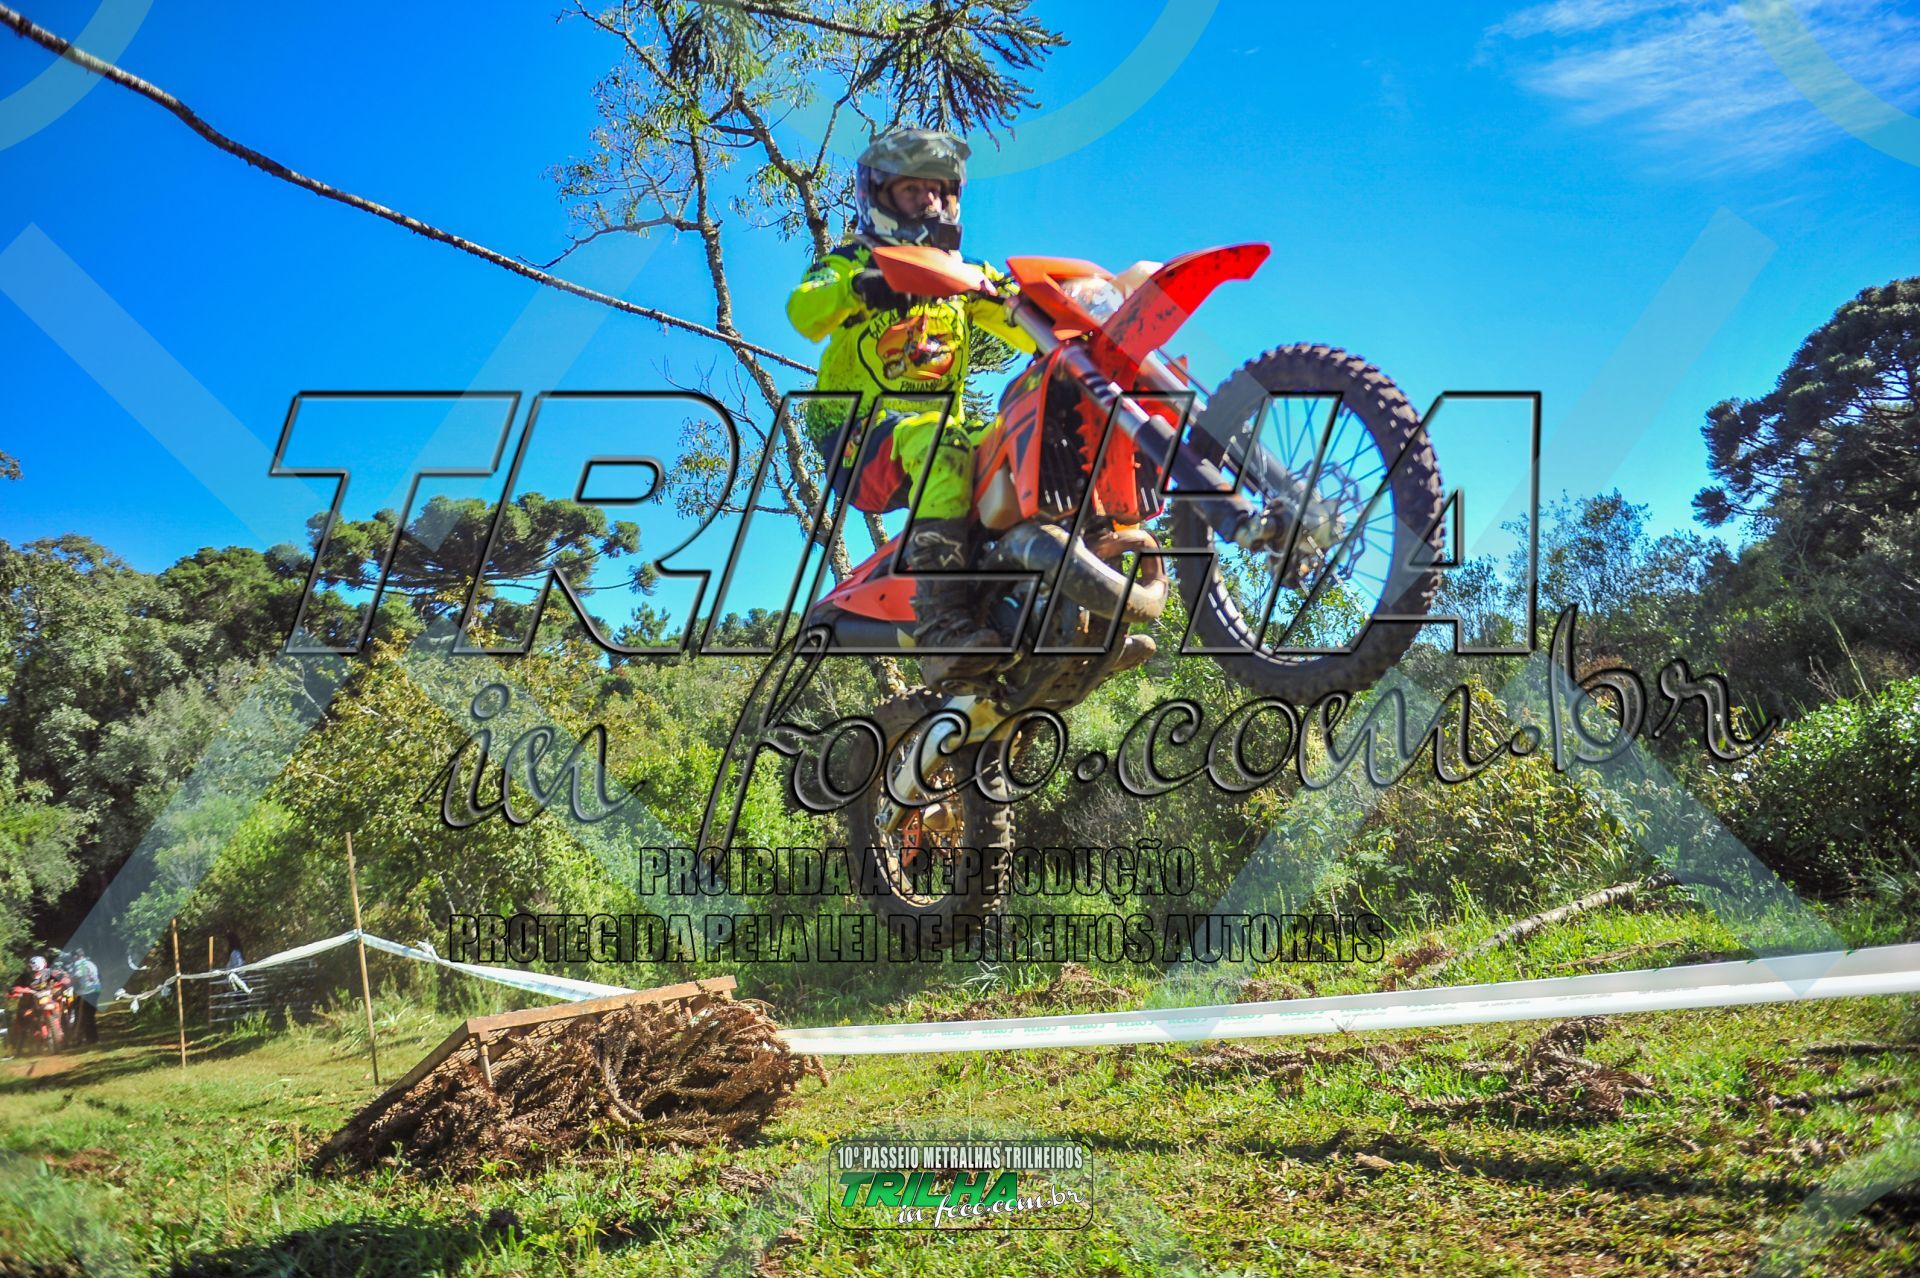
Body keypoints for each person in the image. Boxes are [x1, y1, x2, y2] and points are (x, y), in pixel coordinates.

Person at [786, 127, 1036, 687]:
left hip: (936, 435)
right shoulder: (853, 259)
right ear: (879, 197)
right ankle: (941, 621)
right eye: (910, 189)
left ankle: (1027, 596)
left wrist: (1063, 318)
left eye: (935, 189)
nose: (926, 201)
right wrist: (861, 288)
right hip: (856, 436)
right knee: (941, 441)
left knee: (1021, 439)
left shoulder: (966, 273)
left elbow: (1022, 318)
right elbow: (804, 310)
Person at [66, 947, 100, 1045]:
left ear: (76, 956)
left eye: (73, 957)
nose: (72, 959)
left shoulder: (79, 963)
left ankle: (88, 1039)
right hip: (95, 991)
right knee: (89, 1016)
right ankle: (91, 1038)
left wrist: (69, 981)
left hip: (85, 992)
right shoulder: (90, 963)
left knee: (82, 1016)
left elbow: (78, 976)